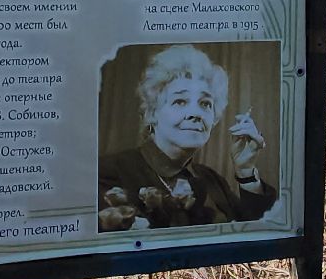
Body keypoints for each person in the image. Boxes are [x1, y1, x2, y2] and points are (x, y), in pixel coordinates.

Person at [98, 45, 276, 231]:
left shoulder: (212, 180)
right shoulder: (109, 174)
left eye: (205, 103)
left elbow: (257, 235)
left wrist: (246, 171)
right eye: (180, 101)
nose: (195, 113)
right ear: (152, 113)